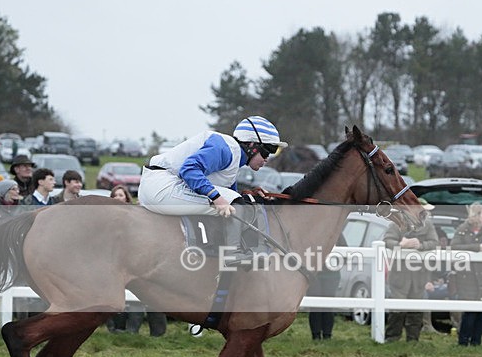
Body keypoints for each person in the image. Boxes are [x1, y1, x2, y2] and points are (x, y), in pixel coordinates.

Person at [138, 115, 287, 266]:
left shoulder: (234, 158)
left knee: (238, 202)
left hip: (158, 186)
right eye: (267, 151)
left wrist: (251, 194)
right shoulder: (225, 149)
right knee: (233, 203)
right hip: (161, 186)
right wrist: (218, 198)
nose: (267, 159)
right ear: (251, 145)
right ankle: (232, 254)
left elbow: (234, 197)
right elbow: (189, 170)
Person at [107, 185, 167, 336]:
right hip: (118, 262)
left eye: (120, 195)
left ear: (126, 198)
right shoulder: (108, 218)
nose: (117, 198)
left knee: (150, 297)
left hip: (141, 260)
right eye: (115, 195)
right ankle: (120, 330)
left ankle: (155, 333)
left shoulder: (136, 215)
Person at [382, 201, 438, 342]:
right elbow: (387, 240)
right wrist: (401, 245)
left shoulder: (428, 225)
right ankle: (392, 338)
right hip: (400, 274)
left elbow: (434, 242)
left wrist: (420, 245)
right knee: (397, 308)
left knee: (416, 308)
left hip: (419, 274)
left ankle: (413, 340)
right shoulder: (397, 223)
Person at [449, 203, 482, 346]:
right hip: (467, 275)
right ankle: (463, 341)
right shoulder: (463, 229)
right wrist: (476, 248)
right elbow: (455, 247)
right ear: (477, 215)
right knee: (469, 311)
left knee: (481, 310)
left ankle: (476, 342)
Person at [308, 233, 347, 341]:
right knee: (315, 304)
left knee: (328, 305)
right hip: (313, 273)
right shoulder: (312, 230)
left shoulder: (337, 233)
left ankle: (327, 335)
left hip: (331, 274)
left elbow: (345, 253)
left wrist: (336, 263)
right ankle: (316, 335)